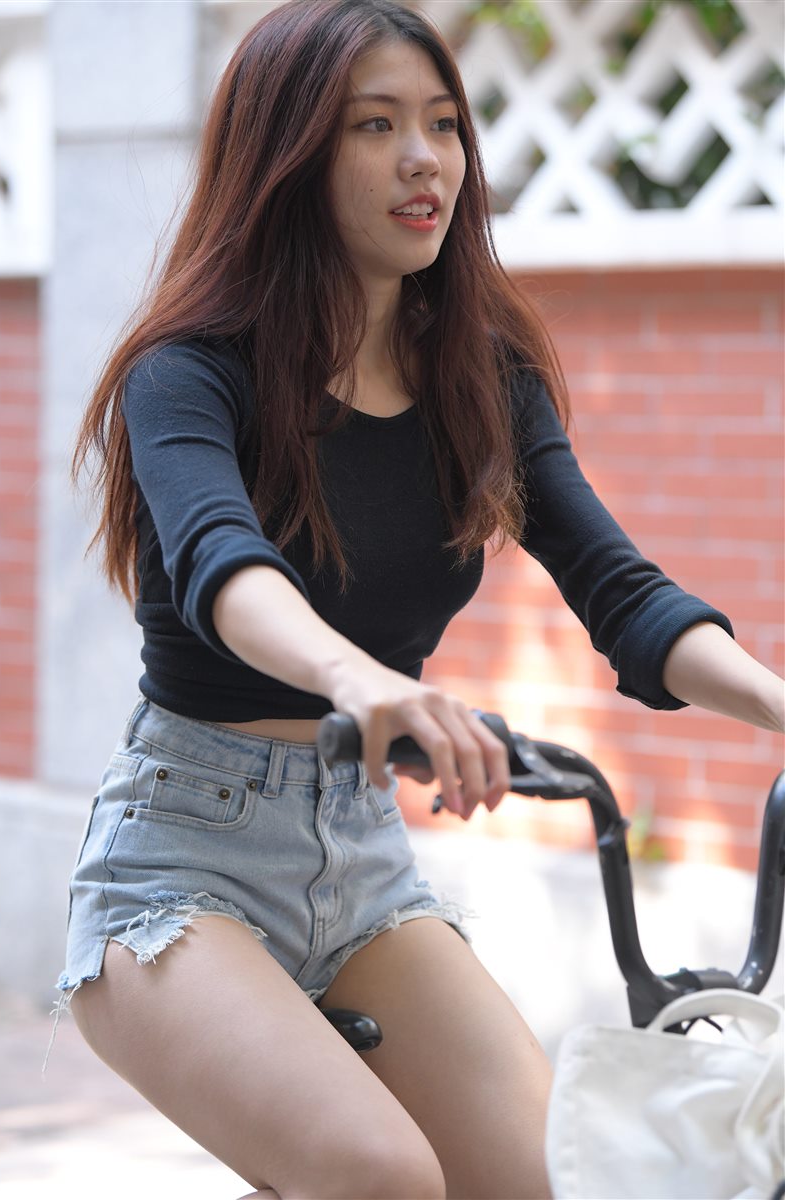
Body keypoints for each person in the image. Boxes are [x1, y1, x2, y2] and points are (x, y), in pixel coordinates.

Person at [55, 1, 784, 1197]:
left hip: (359, 857)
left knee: (542, 1175)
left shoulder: (480, 376)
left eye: (442, 124)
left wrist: (771, 701)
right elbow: (224, 567)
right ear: (286, 156)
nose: (423, 159)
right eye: (374, 126)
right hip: (179, 861)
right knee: (380, 1172)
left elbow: (620, 593)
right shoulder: (186, 373)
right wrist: (361, 681)